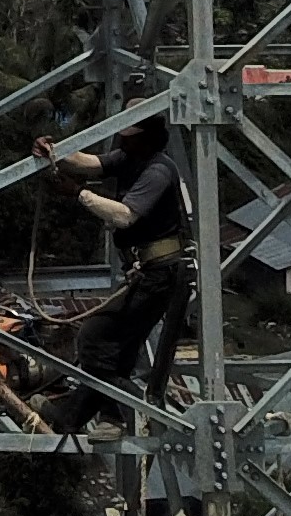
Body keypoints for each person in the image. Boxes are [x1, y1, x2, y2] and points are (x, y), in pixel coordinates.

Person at [28, 121, 189, 436]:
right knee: (117, 352)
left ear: (149, 140)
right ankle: (103, 418)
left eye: (130, 138)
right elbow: (93, 164)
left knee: (95, 335)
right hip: (152, 271)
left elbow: (124, 215)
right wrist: (54, 151)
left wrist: (77, 194)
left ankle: (111, 411)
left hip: (159, 273)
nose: (122, 143)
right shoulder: (132, 157)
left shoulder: (158, 170)